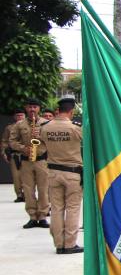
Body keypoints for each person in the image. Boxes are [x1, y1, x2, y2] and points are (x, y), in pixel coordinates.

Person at [40, 96, 84, 254]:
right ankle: (70, 244)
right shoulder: (75, 127)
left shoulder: (45, 127)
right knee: (72, 208)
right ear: (71, 111)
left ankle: (58, 244)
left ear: (58, 111)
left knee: (57, 208)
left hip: (52, 172)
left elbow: (41, 147)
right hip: (72, 173)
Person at [9, 97, 50, 228]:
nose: (32, 109)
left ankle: (43, 216)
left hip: (42, 160)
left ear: (39, 108)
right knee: (28, 190)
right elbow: (12, 141)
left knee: (44, 190)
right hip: (26, 161)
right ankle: (32, 216)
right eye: (30, 107)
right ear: (26, 108)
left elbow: (52, 142)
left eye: (35, 107)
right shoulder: (19, 125)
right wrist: (23, 148)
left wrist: (40, 136)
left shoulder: (47, 124)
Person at [2, 108, 26, 202]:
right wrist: (4, 152)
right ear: (14, 117)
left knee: (27, 176)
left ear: (25, 116)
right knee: (16, 176)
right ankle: (19, 195)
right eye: (17, 115)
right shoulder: (9, 128)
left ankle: (28, 194)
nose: (19, 117)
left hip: (27, 154)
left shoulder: (30, 126)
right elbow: (4, 141)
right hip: (15, 154)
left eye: (21, 115)